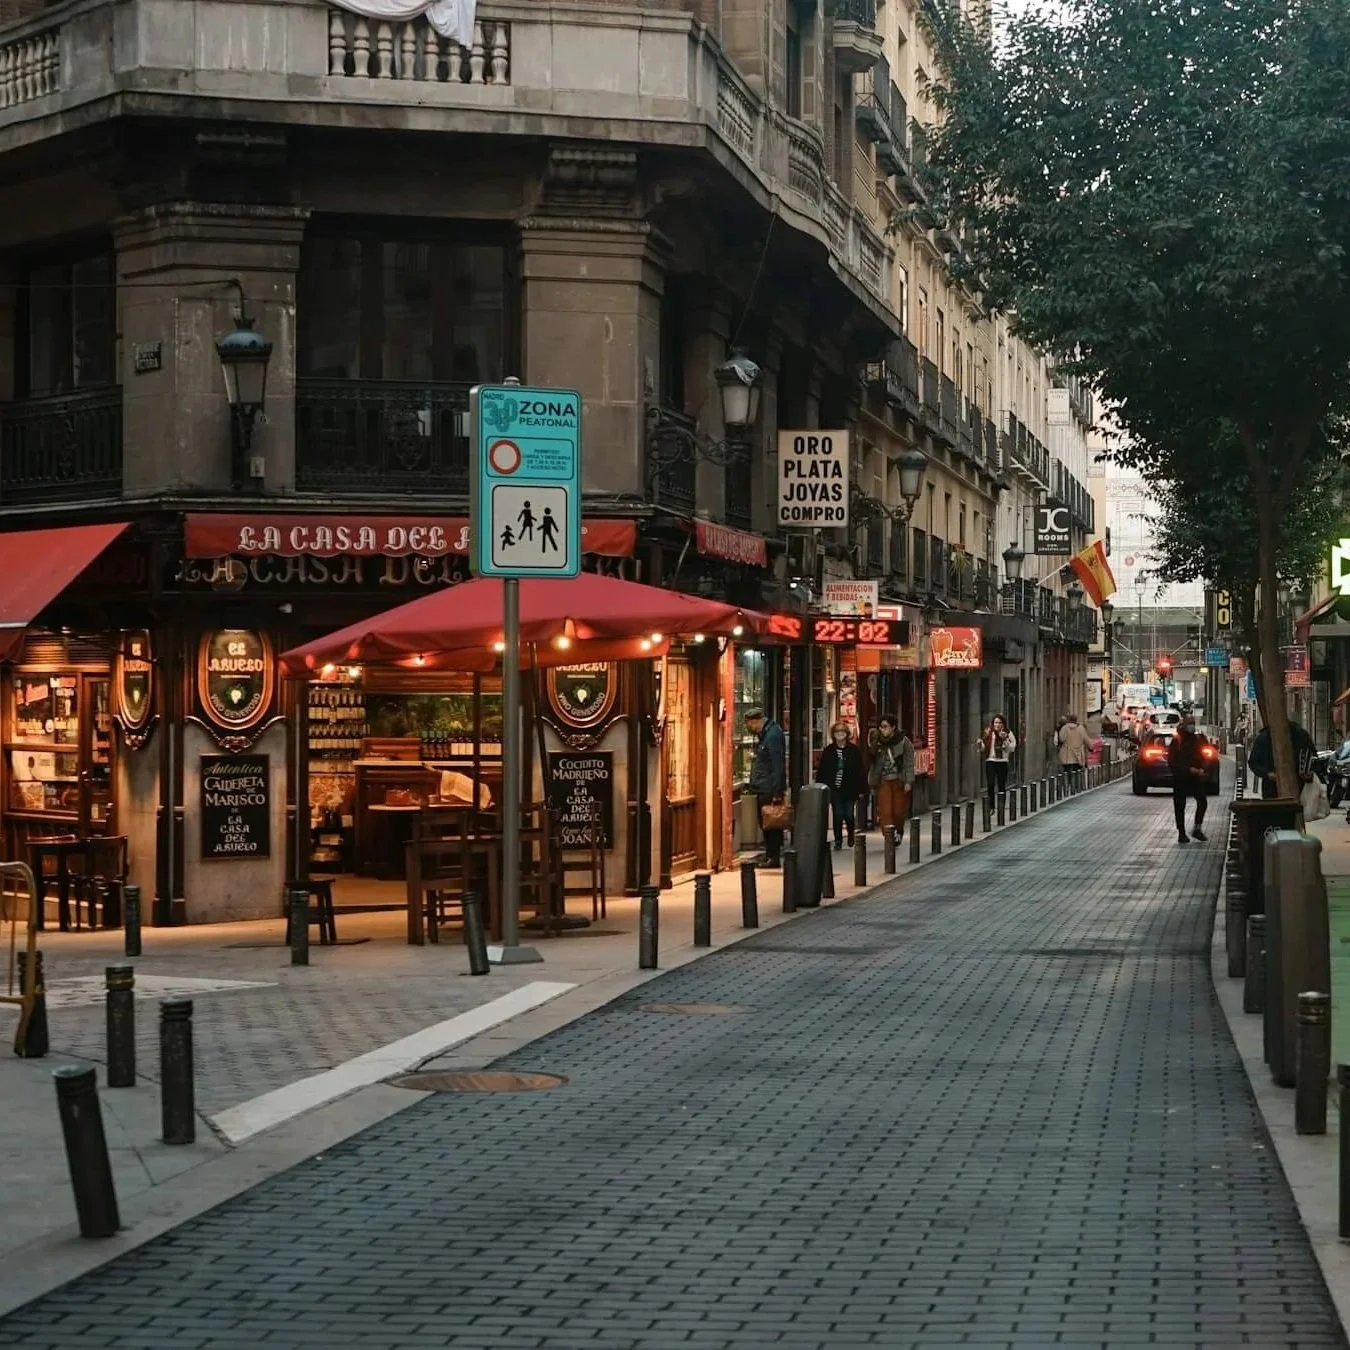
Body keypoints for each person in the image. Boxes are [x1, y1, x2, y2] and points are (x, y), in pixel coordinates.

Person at [744, 707, 787, 868]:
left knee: (771, 823)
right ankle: (770, 854)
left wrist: (777, 792)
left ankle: (773, 857)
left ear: (756, 721)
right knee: (766, 823)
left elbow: (777, 764)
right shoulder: (766, 734)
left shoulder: (772, 735)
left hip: (768, 788)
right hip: (764, 786)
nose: (749, 728)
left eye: (749, 724)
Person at [816, 722, 865, 850]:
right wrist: (821, 786)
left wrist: (862, 789)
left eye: (842, 732)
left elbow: (860, 770)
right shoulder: (829, 751)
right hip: (835, 789)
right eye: (837, 732)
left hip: (849, 789)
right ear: (833, 734)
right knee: (837, 814)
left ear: (847, 734)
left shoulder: (853, 750)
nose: (840, 734)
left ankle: (850, 834)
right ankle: (838, 840)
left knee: (848, 815)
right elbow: (823, 770)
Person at [1168, 713, 1212, 844]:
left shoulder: (1197, 739)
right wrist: (1187, 770)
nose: (1192, 726)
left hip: (1195, 777)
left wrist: (1203, 768)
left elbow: (1202, 756)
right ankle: (1181, 832)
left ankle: (1197, 828)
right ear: (1184, 724)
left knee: (1202, 801)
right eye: (1189, 723)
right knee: (1180, 806)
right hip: (1180, 778)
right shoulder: (1177, 740)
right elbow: (1172, 762)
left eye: (1193, 723)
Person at [867, 715, 915, 833]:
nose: (882, 729)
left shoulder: (904, 742)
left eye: (885, 726)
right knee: (885, 811)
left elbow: (909, 763)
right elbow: (871, 760)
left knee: (898, 812)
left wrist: (908, 781)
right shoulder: (877, 741)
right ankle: (889, 836)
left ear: (893, 727)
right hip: (882, 780)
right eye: (880, 727)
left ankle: (898, 831)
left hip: (899, 780)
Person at [1248, 719, 1316, 799]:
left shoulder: (1300, 735)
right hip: (1272, 790)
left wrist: (1308, 773)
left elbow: (1312, 759)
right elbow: (1253, 762)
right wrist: (1267, 774)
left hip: (1298, 789)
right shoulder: (1264, 737)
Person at [978, 715, 1016, 809]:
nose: (997, 725)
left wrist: (1005, 740)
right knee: (990, 784)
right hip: (990, 761)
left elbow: (1011, 748)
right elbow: (984, 748)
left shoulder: (1008, 733)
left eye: (1000, 723)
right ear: (993, 723)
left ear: (1003, 724)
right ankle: (991, 806)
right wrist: (980, 744)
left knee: (1001, 784)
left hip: (1002, 761)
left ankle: (1001, 806)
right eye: (996, 722)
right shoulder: (988, 732)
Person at [1057, 713, 1090, 790]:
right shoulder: (1081, 729)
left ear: (1068, 719)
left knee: (1066, 771)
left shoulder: (1065, 728)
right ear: (1076, 720)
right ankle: (1077, 786)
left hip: (1066, 754)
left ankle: (1066, 787)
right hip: (1078, 755)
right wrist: (1090, 747)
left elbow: (1061, 738)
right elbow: (1086, 740)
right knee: (1077, 770)